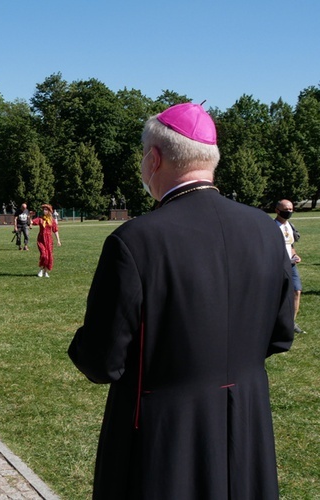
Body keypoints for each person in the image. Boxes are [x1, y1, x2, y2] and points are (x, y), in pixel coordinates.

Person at [68, 102, 294, 499]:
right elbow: (280, 336)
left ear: (154, 158)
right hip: (246, 427)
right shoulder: (266, 230)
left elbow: (102, 361)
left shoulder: (134, 240)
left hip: (162, 440)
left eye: (142, 154)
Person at [275, 199, 304, 334]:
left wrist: (295, 255)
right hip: (278, 266)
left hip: (291, 265)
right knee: (278, 294)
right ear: (277, 210)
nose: (289, 212)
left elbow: (291, 246)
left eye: (291, 209)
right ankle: (276, 322)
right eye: (286, 210)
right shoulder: (273, 226)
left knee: (296, 291)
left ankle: (291, 323)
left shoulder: (290, 226)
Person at [31, 204, 61, 277]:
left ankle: (45, 271)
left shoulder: (52, 220)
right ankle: (41, 270)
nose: (44, 211)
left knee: (49, 256)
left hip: (49, 240)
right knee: (44, 255)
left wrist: (58, 240)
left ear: (49, 211)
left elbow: (55, 230)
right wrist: (30, 216)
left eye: (46, 210)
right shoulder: (40, 219)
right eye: (43, 209)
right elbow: (32, 222)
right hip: (41, 239)